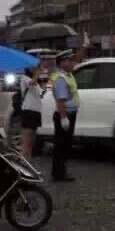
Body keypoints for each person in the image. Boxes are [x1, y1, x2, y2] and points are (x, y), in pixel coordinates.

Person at [50, 50, 79, 182]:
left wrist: (84, 46)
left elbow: (78, 59)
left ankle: (60, 171)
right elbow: (61, 100)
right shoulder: (61, 79)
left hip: (69, 114)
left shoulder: (68, 75)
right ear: (61, 63)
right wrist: (63, 117)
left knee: (65, 145)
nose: (72, 63)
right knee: (61, 145)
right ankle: (59, 173)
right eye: (68, 60)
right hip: (64, 114)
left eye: (71, 60)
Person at [20, 66, 43, 161]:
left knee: (31, 143)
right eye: (33, 67)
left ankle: (28, 165)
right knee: (26, 142)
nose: (35, 68)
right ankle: (22, 165)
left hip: (36, 113)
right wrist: (38, 72)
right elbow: (31, 83)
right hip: (28, 112)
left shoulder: (36, 82)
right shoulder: (24, 78)